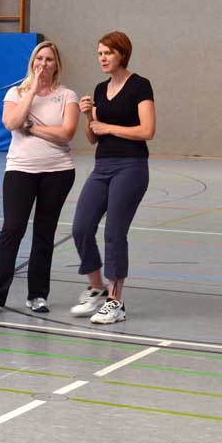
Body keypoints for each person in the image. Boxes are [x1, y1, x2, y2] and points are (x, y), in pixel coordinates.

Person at [0, 41, 78, 315]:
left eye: (49, 59)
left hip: (58, 171)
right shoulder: (16, 93)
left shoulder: (67, 96)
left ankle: (37, 295)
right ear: (32, 62)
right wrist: (32, 90)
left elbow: (66, 133)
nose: (43, 64)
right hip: (20, 170)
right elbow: (11, 122)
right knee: (12, 229)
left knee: (44, 232)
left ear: (56, 65)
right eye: (39, 59)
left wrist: (31, 128)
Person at [69, 31, 155, 324]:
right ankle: (97, 287)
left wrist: (109, 128)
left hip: (131, 166)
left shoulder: (140, 85)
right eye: (99, 53)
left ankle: (116, 303)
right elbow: (93, 137)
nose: (102, 58)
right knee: (81, 227)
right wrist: (88, 117)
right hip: (102, 166)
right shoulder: (99, 89)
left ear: (122, 54)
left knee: (114, 232)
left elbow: (147, 131)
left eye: (108, 53)